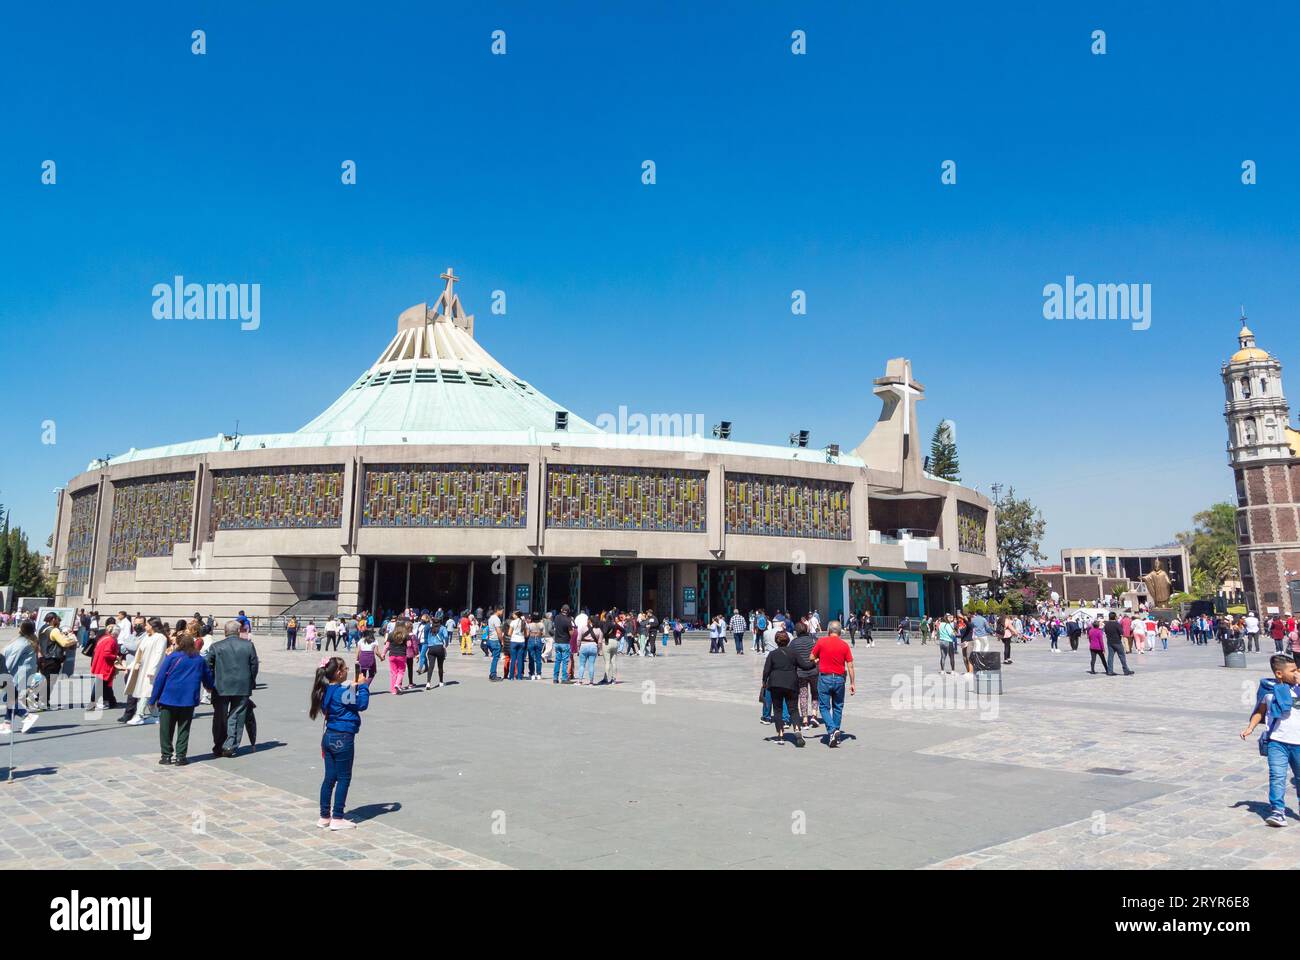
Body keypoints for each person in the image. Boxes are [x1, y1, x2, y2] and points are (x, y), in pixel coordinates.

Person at [310, 655, 371, 830]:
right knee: (344, 777)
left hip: (329, 736)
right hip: (343, 737)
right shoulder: (343, 693)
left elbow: (342, 697)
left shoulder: (326, 690)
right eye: (345, 669)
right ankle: (337, 817)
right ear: (338, 673)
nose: (347, 671)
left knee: (329, 777)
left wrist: (351, 687)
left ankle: (324, 816)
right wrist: (364, 686)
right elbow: (362, 703)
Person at [1241, 654, 1300, 827]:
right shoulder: (1269, 691)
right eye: (1293, 670)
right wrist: (1250, 728)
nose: (1297, 672)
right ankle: (1278, 811)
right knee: (1276, 776)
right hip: (1277, 741)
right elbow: (1260, 711)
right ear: (1279, 674)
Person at [151, 633, 214, 766]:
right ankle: (180, 756)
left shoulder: (172, 657)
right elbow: (207, 677)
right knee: (184, 728)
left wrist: (153, 699)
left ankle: (166, 756)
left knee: (166, 729)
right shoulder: (199, 659)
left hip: (168, 698)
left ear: (179, 644)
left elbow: (160, 678)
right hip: (188, 699)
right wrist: (210, 687)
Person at [206, 620, 259, 757]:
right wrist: (251, 681)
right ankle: (230, 745)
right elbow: (254, 665)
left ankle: (219, 745)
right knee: (237, 715)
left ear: (225, 631)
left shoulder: (216, 646)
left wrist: (210, 683)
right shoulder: (248, 646)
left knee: (219, 716)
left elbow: (207, 665)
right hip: (242, 686)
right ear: (238, 631)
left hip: (221, 686)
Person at [809, 620, 855, 747]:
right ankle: (835, 734)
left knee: (824, 707)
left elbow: (811, 657)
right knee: (838, 706)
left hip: (825, 678)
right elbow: (850, 666)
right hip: (840, 679)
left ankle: (832, 730)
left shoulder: (821, 642)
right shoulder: (844, 645)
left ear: (829, 630)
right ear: (840, 631)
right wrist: (852, 683)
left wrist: (818, 660)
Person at [762, 631, 809, 747]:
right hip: (791, 683)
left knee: (778, 709)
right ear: (788, 640)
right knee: (793, 709)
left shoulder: (772, 654)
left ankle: (781, 735)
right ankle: (797, 730)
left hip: (775, 683)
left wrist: (764, 682)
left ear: (776, 641)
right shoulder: (794, 653)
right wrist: (815, 662)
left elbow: (766, 670)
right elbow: (805, 666)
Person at [122, 617, 169, 725]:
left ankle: (139, 714)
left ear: (152, 626)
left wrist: (153, 669)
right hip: (142, 668)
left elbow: (158, 654)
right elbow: (140, 652)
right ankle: (155, 715)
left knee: (146, 692)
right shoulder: (148, 637)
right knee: (143, 692)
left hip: (151, 670)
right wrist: (133, 665)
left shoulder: (161, 637)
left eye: (147, 625)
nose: (145, 627)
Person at [1, 621, 42, 735]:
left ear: (21, 628)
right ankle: (7, 723)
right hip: (23, 674)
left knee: (9, 698)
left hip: (17, 675)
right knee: (10, 697)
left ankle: (27, 716)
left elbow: (10, 660)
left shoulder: (21, 642)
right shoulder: (29, 641)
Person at [37, 612, 77, 707]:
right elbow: (64, 643)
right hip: (53, 659)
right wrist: (72, 639)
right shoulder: (54, 631)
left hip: (44, 658)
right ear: (53, 619)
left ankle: (39, 699)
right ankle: (43, 701)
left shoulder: (42, 628)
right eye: (58, 620)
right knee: (50, 681)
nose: (59, 622)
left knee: (44, 680)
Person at [1103, 612, 1134, 676]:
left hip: (1110, 642)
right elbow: (1122, 632)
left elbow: (1105, 632)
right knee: (1122, 656)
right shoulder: (1116, 624)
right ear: (1115, 617)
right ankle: (1126, 670)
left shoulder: (1106, 624)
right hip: (1117, 642)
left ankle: (1110, 671)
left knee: (1110, 657)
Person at [385, 622, 410, 694]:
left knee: (393, 672)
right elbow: (409, 645)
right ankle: (397, 684)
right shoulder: (406, 635)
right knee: (401, 671)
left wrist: (383, 654)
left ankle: (393, 690)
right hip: (402, 655)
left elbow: (387, 646)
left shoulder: (390, 634)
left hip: (392, 655)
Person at [576, 617, 602, 686]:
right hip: (593, 646)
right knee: (591, 665)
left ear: (589, 621)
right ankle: (591, 682)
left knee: (582, 665)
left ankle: (580, 681)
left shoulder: (583, 628)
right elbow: (599, 642)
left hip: (584, 645)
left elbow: (578, 639)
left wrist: (578, 648)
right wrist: (599, 650)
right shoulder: (599, 630)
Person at [424, 617, 448, 690]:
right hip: (439, 647)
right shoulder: (442, 628)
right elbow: (446, 636)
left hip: (431, 648)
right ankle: (441, 682)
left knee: (431, 666)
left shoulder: (429, 628)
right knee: (440, 666)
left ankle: (428, 683)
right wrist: (446, 644)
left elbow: (425, 637)